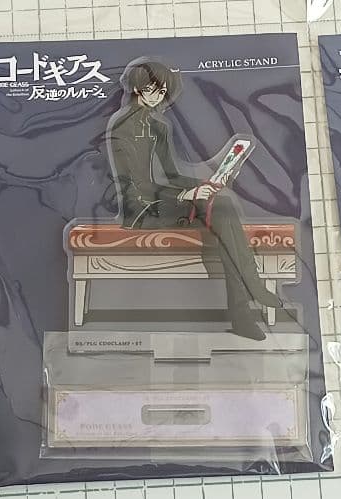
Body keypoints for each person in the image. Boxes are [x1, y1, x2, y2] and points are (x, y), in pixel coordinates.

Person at [104, 59, 281, 340]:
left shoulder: (159, 125)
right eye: (153, 88)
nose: (158, 95)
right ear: (138, 88)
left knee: (223, 208)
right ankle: (251, 293)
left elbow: (172, 175)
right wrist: (188, 195)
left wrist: (206, 184)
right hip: (140, 209)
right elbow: (139, 185)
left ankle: (247, 301)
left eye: (163, 90)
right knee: (223, 211)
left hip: (164, 202)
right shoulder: (122, 126)